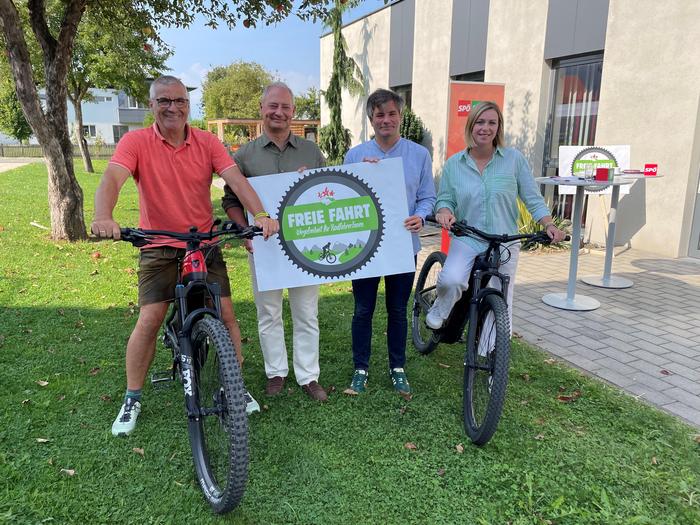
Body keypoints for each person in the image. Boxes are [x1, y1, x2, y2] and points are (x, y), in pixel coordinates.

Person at [92, 75, 279, 436]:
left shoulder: (206, 142)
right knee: (149, 319)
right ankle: (132, 397)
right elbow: (112, 178)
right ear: (152, 105)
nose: (172, 107)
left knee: (226, 315)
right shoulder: (136, 142)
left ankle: (233, 386)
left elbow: (237, 181)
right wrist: (104, 216)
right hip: (158, 244)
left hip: (203, 242)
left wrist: (260, 215)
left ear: (188, 106)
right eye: (164, 101)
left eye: (179, 101)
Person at [221, 82, 329, 402]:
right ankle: (276, 372)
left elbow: (327, 194)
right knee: (268, 311)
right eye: (273, 106)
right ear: (262, 108)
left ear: (293, 112)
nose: (279, 112)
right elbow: (231, 200)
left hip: (304, 245)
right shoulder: (245, 155)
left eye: (285, 107)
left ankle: (308, 375)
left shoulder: (312, 152)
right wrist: (245, 232)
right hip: (263, 244)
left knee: (306, 311)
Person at [426, 101, 566, 331]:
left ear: (498, 127)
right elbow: (446, 198)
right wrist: (444, 211)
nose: (485, 128)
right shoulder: (454, 164)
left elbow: (532, 197)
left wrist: (548, 224)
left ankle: (492, 353)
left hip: (505, 241)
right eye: (480, 122)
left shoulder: (513, 160)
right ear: (471, 126)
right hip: (468, 236)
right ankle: (440, 309)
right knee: (452, 280)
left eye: (492, 122)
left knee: (502, 294)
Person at [343, 88, 436, 398]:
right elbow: (344, 198)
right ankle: (360, 369)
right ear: (371, 119)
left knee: (398, 310)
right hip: (365, 248)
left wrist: (421, 216)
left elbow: (427, 196)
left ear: (401, 116)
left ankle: (398, 368)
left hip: (401, 246)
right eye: (379, 114)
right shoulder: (355, 156)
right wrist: (360, 175)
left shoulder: (419, 155)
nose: (386, 120)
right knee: (362, 310)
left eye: (391, 113)